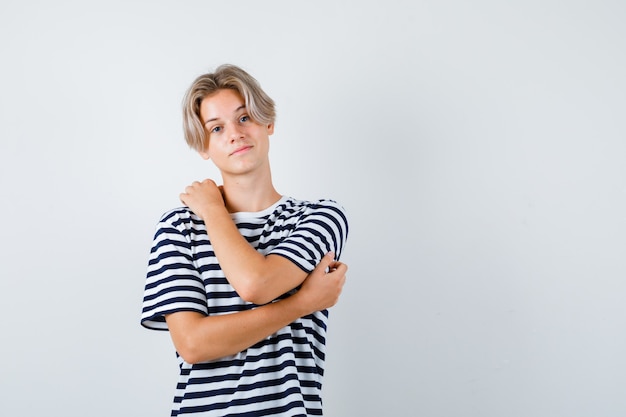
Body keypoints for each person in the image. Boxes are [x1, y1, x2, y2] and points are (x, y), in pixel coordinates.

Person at [141, 64, 349, 416]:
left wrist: (213, 211)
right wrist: (301, 303)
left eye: (244, 118)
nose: (234, 134)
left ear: (268, 122)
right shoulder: (178, 227)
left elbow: (257, 284)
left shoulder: (319, 217)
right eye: (217, 128)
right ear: (203, 146)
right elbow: (192, 344)